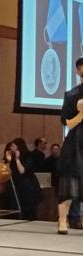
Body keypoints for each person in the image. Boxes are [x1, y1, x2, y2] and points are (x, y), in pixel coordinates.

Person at [56, 56, 83, 234]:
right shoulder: (72, 95)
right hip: (76, 144)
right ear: (79, 71)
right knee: (69, 183)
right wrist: (81, 113)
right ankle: (62, 220)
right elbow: (67, 123)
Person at [3, 138, 42, 220]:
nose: (11, 148)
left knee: (27, 207)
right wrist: (8, 161)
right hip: (15, 184)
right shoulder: (11, 156)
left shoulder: (28, 155)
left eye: (13, 146)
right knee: (14, 205)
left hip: (26, 184)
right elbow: (6, 171)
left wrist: (17, 159)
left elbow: (22, 171)